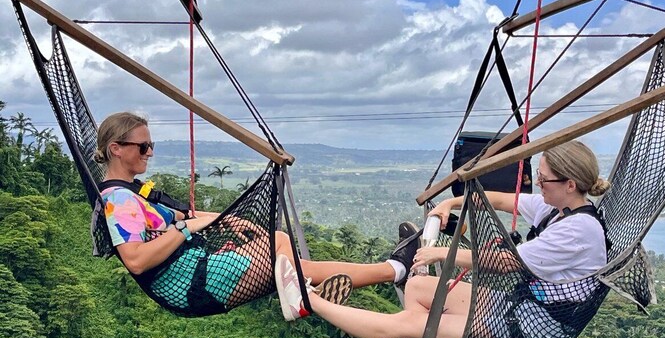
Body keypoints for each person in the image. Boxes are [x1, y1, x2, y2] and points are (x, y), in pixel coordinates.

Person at [274, 140, 611, 338]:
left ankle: (307, 302)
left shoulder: (578, 230)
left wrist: (442, 252)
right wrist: (451, 203)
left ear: (570, 184)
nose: (538, 184)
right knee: (420, 290)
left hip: (527, 334)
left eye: (544, 178)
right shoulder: (559, 209)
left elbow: (507, 262)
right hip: (521, 307)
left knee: (409, 324)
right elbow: (499, 200)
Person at [94, 112, 421, 313]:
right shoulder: (118, 200)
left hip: (193, 272)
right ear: (116, 149)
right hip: (191, 284)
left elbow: (184, 217)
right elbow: (136, 260)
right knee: (282, 250)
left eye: (151, 146)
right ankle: (383, 273)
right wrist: (183, 231)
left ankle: (378, 274)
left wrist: (230, 220)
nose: (149, 153)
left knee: (285, 252)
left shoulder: (132, 192)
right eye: (142, 147)